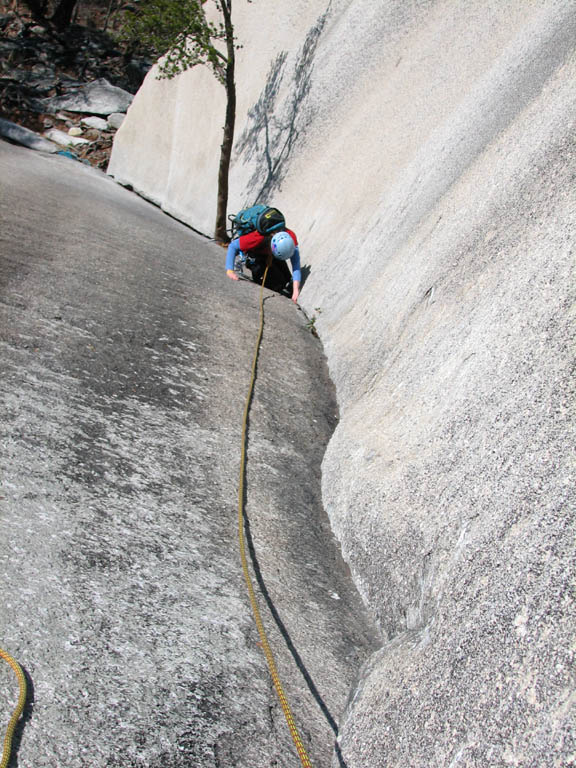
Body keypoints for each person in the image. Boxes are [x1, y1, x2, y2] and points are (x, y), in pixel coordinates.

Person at [225, 228, 301, 303]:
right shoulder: (257, 237)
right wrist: (230, 270)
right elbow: (233, 246)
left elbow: (296, 264)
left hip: (271, 253)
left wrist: (295, 289)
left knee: (287, 279)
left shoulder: (291, 239)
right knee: (277, 285)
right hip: (255, 255)